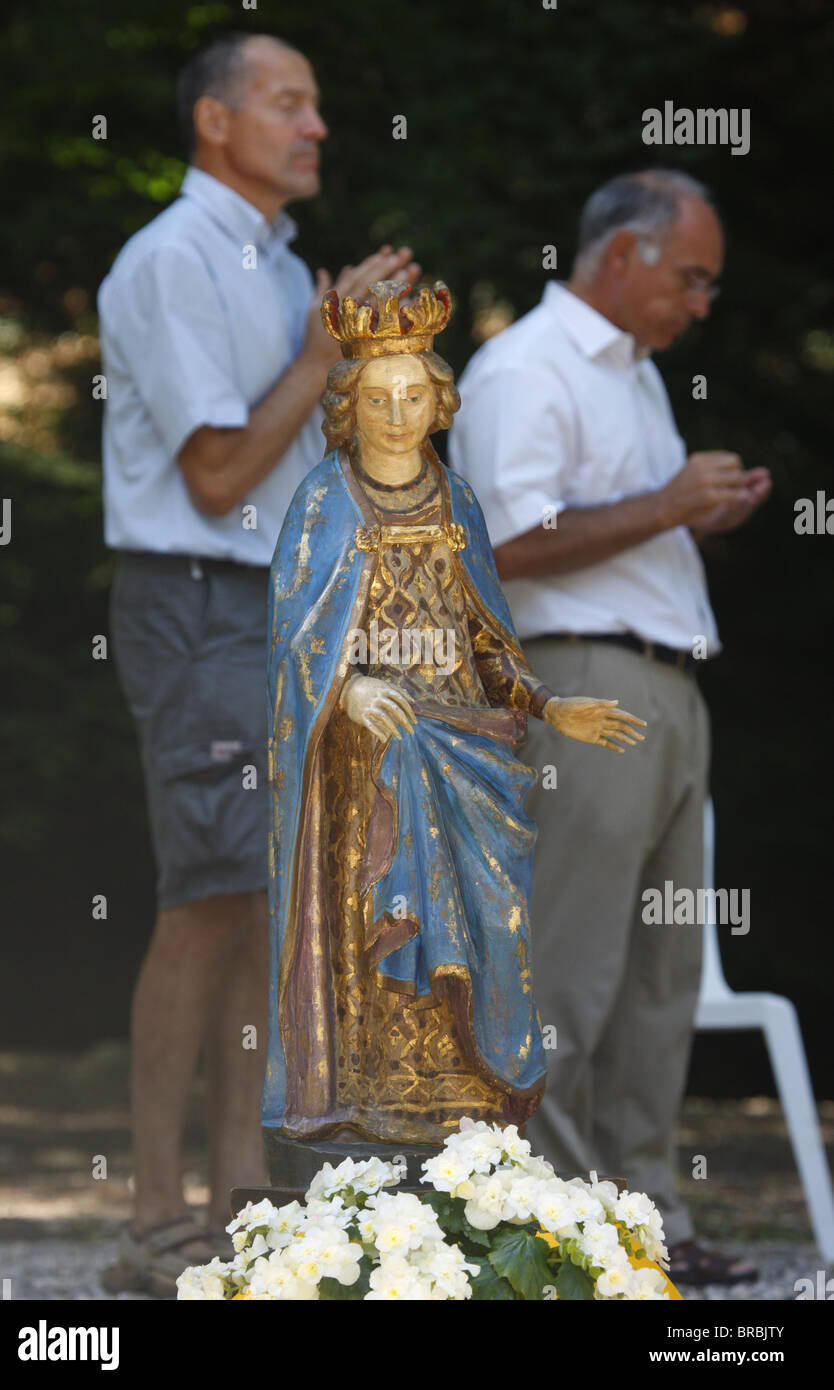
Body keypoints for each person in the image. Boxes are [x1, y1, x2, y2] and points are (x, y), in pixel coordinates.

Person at [98, 32, 419, 1296]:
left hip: (284, 605)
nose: (316, 125)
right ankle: (156, 1210)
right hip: (198, 601)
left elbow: (301, 451)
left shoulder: (280, 266)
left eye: (320, 105)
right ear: (214, 123)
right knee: (207, 899)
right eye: (288, 102)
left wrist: (357, 353)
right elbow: (219, 471)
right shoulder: (171, 258)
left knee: (265, 903)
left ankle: (242, 1196)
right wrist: (326, 353)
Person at [448, 169, 770, 1286]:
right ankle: (551, 1230)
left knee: (655, 980)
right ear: (621, 254)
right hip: (582, 685)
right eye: (690, 277)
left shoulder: (632, 377)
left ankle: (643, 1223)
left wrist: (689, 512)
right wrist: (673, 504)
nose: (699, 303)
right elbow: (501, 544)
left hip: (665, 684)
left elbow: (613, 528)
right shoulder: (526, 368)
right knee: (572, 972)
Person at [262, 279, 645, 1179]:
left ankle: (466, 1110)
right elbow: (289, 647)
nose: (397, 413)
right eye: (377, 398)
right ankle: (366, 1112)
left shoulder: (458, 503)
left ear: (440, 403)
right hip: (366, 774)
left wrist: (551, 706)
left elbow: (487, 644)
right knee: (378, 929)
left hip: (468, 754)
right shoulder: (322, 504)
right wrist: (347, 688)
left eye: (413, 396)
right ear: (347, 409)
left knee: (481, 926)